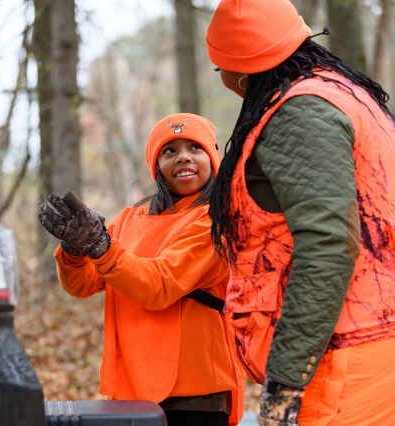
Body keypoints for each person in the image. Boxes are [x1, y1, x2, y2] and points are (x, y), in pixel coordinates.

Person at [204, 1, 395, 425]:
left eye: (221, 69)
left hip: (357, 345)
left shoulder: (300, 114)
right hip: (393, 325)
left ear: (243, 71)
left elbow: (329, 244)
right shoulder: (339, 91)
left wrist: (286, 379)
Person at [37, 113, 244, 426]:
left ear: (213, 157)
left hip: (195, 393)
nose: (183, 157)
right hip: (132, 385)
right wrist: (74, 249)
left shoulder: (217, 220)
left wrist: (101, 247)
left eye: (195, 148)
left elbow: (159, 285)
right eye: (169, 150)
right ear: (156, 164)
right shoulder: (129, 218)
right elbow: (82, 284)